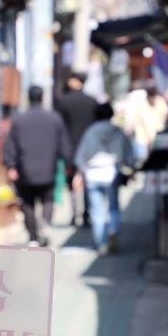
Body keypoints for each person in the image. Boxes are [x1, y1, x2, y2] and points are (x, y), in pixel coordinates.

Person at [3, 85, 71, 246]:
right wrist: (68, 163)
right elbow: (64, 143)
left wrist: (11, 165)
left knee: (28, 203)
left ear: (28, 98)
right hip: (48, 168)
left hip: (25, 169)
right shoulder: (54, 118)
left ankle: (33, 237)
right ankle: (46, 222)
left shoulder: (19, 119)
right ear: (42, 98)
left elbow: (10, 145)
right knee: (48, 198)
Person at [74, 102, 135, 255]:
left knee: (97, 209)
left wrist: (80, 171)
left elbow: (81, 156)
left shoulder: (91, 131)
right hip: (111, 171)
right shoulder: (117, 131)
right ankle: (113, 229)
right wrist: (129, 166)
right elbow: (128, 154)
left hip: (93, 173)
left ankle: (101, 242)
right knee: (113, 207)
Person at [55, 72, 98, 225]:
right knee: (87, 181)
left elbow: (59, 127)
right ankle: (86, 214)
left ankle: (74, 213)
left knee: (70, 182)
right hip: (89, 149)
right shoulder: (92, 102)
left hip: (69, 149)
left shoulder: (63, 102)